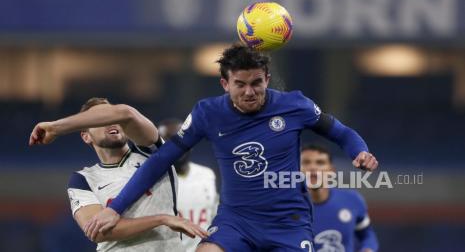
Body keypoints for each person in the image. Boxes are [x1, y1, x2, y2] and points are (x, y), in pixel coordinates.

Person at [86, 44, 379, 252]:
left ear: (266, 79)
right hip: (237, 221)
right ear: (225, 83)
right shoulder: (207, 113)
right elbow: (161, 159)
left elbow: (341, 132)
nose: (250, 91)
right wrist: (116, 208)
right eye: (240, 84)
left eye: (256, 83)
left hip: (288, 222)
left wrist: (360, 151)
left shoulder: (294, 105)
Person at [29, 97, 208, 252]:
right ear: (86, 136)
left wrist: (56, 127)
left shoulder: (152, 152)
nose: (111, 121)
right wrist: (161, 219)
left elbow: (127, 113)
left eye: (112, 116)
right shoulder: (83, 179)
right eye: (100, 120)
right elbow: (97, 232)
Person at [301, 144, 379, 252]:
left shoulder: (352, 200)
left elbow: (367, 235)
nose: (313, 167)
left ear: (331, 171)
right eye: (306, 162)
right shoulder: (284, 206)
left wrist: (368, 249)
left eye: (320, 162)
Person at [159, 118, 218, 252]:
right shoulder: (151, 182)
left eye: (182, 140)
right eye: (168, 140)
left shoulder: (207, 174)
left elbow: (214, 216)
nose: (177, 146)